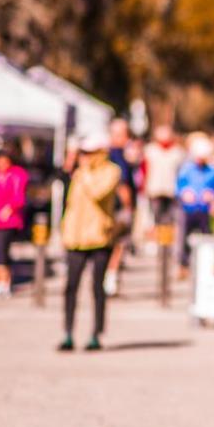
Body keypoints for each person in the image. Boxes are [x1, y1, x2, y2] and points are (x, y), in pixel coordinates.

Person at [58, 134, 121, 351]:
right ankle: (68, 332)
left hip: (99, 237)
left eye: (88, 152)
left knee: (97, 287)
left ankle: (96, 333)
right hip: (76, 239)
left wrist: (83, 173)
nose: (84, 157)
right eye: (82, 153)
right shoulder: (77, 173)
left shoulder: (111, 171)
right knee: (70, 287)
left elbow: (97, 192)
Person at [0, 148, 28, 299]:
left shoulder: (17, 175)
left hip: (9, 220)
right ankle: (1, 280)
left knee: (2, 251)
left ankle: (2, 280)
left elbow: (19, 197)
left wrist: (9, 209)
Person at [176, 135, 214, 274]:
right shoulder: (186, 169)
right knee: (184, 238)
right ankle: (183, 265)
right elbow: (178, 186)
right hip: (189, 209)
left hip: (205, 211)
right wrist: (184, 193)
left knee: (207, 238)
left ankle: (206, 266)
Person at [104, 119, 136, 297]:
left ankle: (109, 278)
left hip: (110, 206)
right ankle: (110, 278)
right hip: (117, 207)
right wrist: (128, 206)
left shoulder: (111, 153)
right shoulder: (116, 154)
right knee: (118, 244)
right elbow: (122, 184)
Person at [145, 124, 187, 230]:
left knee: (169, 221)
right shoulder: (150, 150)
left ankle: (167, 244)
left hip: (171, 192)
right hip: (154, 191)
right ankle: (158, 245)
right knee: (155, 220)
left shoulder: (178, 152)